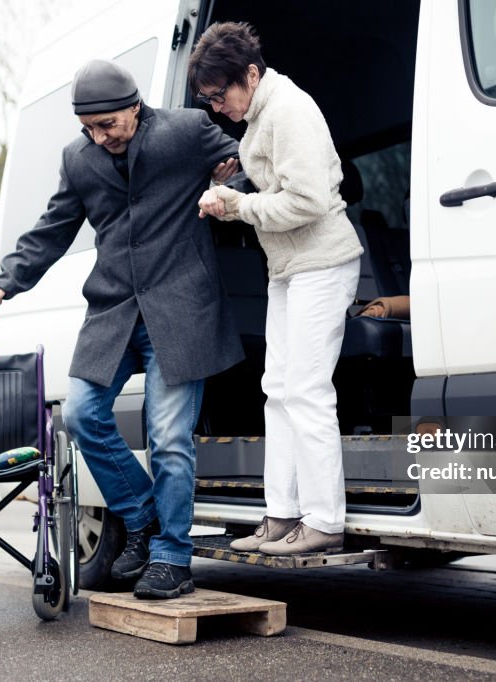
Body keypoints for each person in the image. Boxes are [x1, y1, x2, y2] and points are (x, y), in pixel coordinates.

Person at [0, 59, 244, 599]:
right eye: (90, 129)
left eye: (109, 126)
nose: (100, 139)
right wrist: (6, 278)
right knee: (81, 413)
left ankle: (172, 557)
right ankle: (142, 517)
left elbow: (246, 162)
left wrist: (229, 179)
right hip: (113, 312)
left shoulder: (185, 132)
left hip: (180, 309)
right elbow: (54, 227)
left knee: (169, 437)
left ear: (134, 107)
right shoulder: (80, 159)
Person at [189, 22, 363, 556]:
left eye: (222, 94)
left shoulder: (287, 110)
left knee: (308, 391)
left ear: (251, 73)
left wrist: (238, 206)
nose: (219, 108)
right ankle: (282, 514)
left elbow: (308, 200)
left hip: (322, 262)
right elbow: (276, 188)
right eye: (209, 100)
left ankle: (324, 520)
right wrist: (232, 189)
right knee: (278, 390)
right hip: (289, 269)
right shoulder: (259, 117)